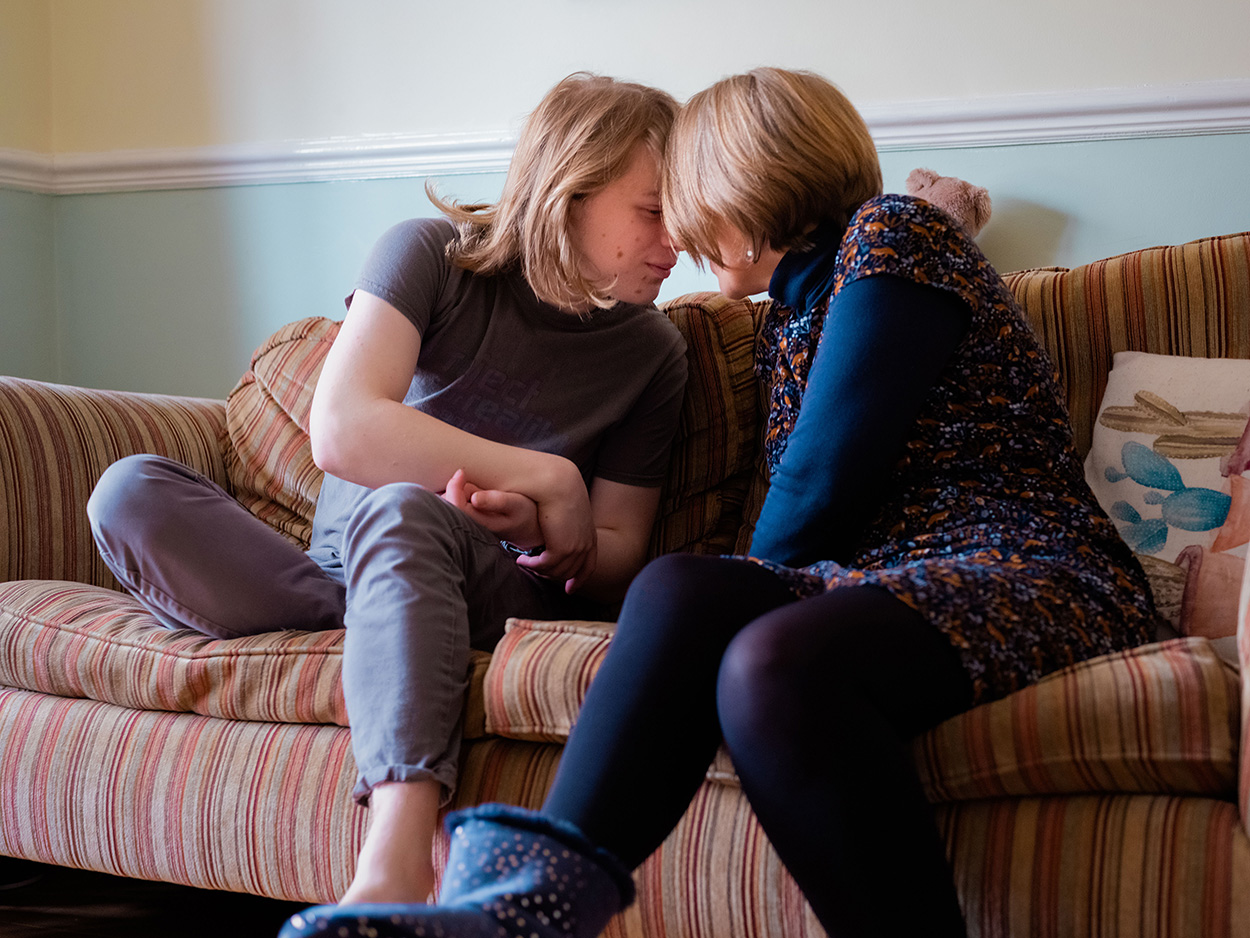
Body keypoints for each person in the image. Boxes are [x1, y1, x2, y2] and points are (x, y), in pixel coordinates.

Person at [277, 68, 1158, 938]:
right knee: (680, 588)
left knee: (768, 662)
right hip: (889, 581)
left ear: (744, 184)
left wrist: (724, 610)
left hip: (1027, 566)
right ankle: (522, 908)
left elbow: (820, 484)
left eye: (689, 196)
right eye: (660, 207)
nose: (681, 230)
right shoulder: (790, 320)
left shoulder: (895, 235)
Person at [86, 72, 688, 908]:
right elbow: (341, 429)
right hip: (329, 577)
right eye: (654, 210)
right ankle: (387, 625)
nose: (676, 241)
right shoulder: (431, 255)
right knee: (127, 491)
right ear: (570, 188)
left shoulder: (654, 352)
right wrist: (545, 476)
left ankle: (394, 864)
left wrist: (541, 533)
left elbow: (619, 555)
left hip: (494, 583)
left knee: (404, 512)